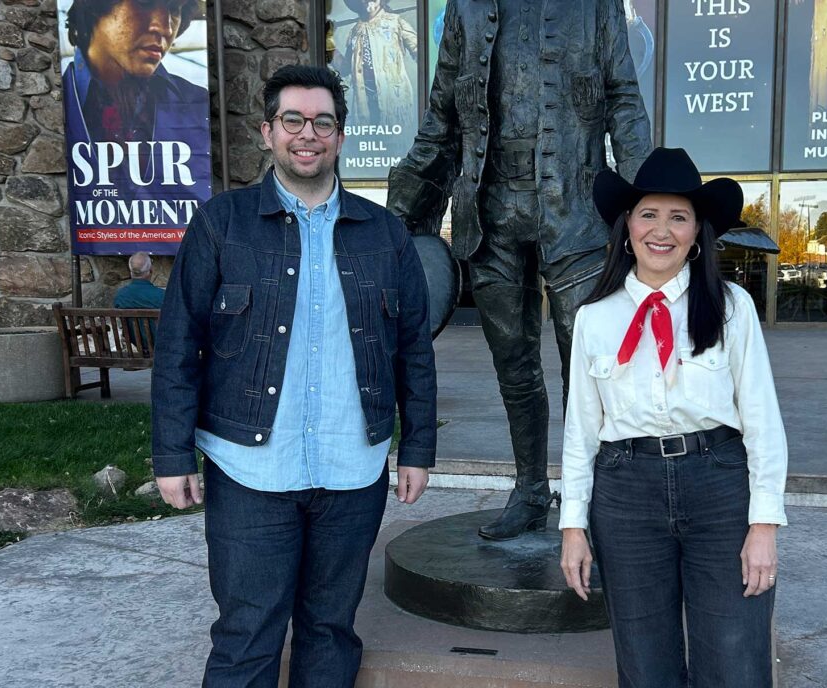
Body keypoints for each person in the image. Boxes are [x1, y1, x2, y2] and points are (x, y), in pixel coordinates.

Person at [150, 65, 437, 687]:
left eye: (323, 122)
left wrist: (415, 446)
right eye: (293, 121)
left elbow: (413, 348)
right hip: (251, 468)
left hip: (351, 468)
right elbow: (179, 345)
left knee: (330, 630)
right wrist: (171, 453)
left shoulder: (384, 233)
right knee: (247, 633)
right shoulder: (221, 224)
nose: (308, 134)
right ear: (268, 132)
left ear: (340, 135)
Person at [388, 0, 652, 540]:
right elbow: (443, 116)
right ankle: (530, 489)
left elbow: (625, 102)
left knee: (588, 369)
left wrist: (647, 202)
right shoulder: (466, 8)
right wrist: (400, 217)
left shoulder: (597, 6)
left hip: (576, 212)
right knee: (513, 365)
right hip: (491, 214)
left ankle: (592, 501)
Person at [559, 148, 788, 687]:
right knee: (645, 664)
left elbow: (762, 419)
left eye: (678, 217)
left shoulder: (731, 307)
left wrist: (764, 523)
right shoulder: (593, 318)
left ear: (698, 233)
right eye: (648, 215)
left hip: (719, 487)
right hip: (625, 494)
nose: (661, 230)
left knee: (734, 659)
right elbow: (580, 432)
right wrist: (573, 525)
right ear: (626, 227)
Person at [62, 0, 211, 199]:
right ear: (96, 8)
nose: (165, 28)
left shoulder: (197, 106)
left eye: (175, 10)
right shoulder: (60, 105)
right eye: (145, 3)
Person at [339, 0, 418, 126]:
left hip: (393, 100)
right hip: (363, 106)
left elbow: (419, 50)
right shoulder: (355, 31)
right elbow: (344, 69)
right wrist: (328, 43)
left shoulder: (396, 22)